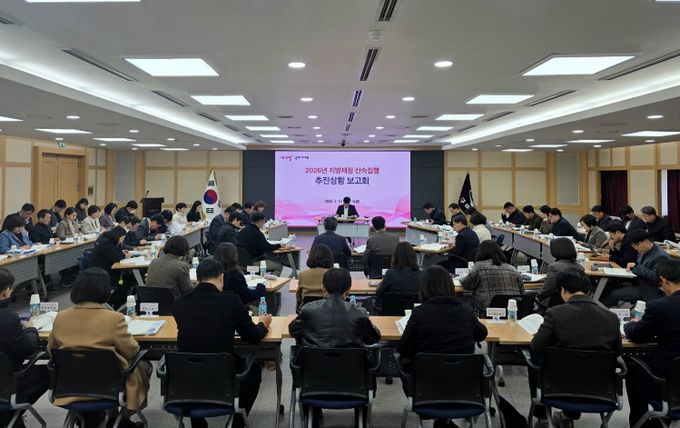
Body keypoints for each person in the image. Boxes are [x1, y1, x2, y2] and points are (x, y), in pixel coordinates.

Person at [173, 259, 271, 428]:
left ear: (197, 279)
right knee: (254, 371)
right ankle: (237, 423)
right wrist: (263, 324)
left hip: (186, 377)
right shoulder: (231, 302)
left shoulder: (179, 304)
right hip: (222, 373)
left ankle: (198, 423)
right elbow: (253, 336)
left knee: (196, 357)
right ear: (221, 278)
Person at [48, 268, 151, 428]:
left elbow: (51, 351)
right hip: (108, 385)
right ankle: (121, 418)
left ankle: (111, 416)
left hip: (69, 385)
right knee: (144, 366)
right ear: (104, 290)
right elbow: (132, 351)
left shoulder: (60, 317)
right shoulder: (114, 319)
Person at [397, 265, 488, 428]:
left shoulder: (419, 313)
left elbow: (404, 349)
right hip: (464, 388)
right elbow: (482, 334)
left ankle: (438, 420)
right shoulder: (466, 311)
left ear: (424, 288)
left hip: (426, 389)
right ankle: (444, 421)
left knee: (403, 360)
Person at [530, 270, 622, 427]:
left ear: (563, 290)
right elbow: (618, 352)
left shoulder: (555, 314)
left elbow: (536, 347)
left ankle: (542, 417)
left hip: (558, 385)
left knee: (534, 361)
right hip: (600, 389)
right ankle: (568, 415)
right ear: (588, 290)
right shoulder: (612, 317)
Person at [624, 259, 680, 428]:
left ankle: (640, 423)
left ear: (663, 280)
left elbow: (636, 334)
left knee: (633, 369)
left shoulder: (659, 307)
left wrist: (630, 324)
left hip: (667, 379)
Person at [0, 268, 49, 426]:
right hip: (6, 384)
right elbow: (28, 349)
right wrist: (30, 329)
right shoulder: (8, 318)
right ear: (5, 292)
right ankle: (10, 414)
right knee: (50, 371)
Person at [290, 267, 381, 348]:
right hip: (352, 361)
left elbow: (293, 331)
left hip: (312, 361)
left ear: (324, 288)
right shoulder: (359, 313)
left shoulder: (308, 309)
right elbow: (373, 338)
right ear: (348, 291)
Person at [604, 230, 669, 306]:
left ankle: (602, 311)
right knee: (608, 286)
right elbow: (638, 266)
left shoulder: (661, 256)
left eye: (637, 245)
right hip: (637, 281)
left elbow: (657, 277)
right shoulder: (643, 250)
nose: (636, 248)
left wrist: (636, 266)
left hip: (649, 289)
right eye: (633, 246)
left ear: (647, 241)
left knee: (615, 294)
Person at [462, 240, 524, 312]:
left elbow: (467, 285)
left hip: (487, 310)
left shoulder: (479, 267)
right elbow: (522, 293)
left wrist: (461, 278)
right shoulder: (513, 269)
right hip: (512, 310)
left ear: (480, 252)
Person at [537, 238, 584, 309]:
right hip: (575, 303)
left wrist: (535, 297)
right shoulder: (580, 267)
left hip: (555, 303)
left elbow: (547, 290)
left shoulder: (555, 267)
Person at [88, 226, 130, 306]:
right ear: (117, 236)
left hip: (106, 269)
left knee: (129, 277)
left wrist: (122, 252)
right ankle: (113, 303)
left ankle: (119, 301)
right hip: (100, 273)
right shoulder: (105, 242)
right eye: (122, 238)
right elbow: (115, 257)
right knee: (126, 281)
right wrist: (124, 255)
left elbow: (115, 252)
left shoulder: (110, 240)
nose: (122, 240)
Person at [237, 211, 285, 276]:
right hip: (253, 264)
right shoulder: (257, 233)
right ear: (260, 222)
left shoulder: (242, 231)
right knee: (278, 266)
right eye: (263, 222)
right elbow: (267, 248)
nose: (264, 224)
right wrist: (280, 245)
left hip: (241, 264)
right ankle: (267, 282)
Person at [376, 242, 422, 308]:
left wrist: (380, 283)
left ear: (395, 257)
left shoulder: (390, 274)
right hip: (415, 312)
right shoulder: (422, 274)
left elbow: (379, 294)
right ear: (414, 256)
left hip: (391, 312)